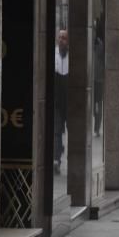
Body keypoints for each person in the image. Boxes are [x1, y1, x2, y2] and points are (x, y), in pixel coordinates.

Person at [53, 30, 69, 175]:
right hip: (57, 101)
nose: (62, 40)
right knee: (57, 131)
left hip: (69, 101)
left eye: (64, 38)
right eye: (60, 37)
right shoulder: (54, 55)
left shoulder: (71, 57)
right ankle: (56, 159)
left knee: (72, 129)